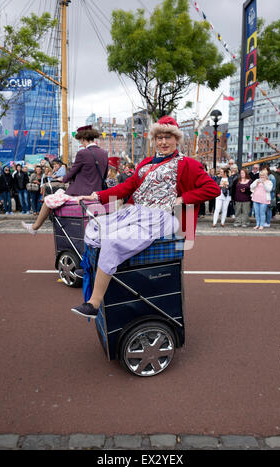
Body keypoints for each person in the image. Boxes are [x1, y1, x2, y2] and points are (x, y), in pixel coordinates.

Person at [71, 115, 221, 318]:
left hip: (162, 217)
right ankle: (91, 268)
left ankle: (94, 303)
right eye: (159, 137)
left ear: (177, 139)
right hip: (137, 212)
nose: (163, 142)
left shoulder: (188, 164)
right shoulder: (147, 162)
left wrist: (183, 199)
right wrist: (98, 195)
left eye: (168, 137)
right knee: (96, 227)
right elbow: (128, 185)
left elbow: (213, 189)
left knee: (114, 241)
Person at [21, 125, 108, 234]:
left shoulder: (82, 153)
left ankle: (34, 228)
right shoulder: (104, 153)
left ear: (82, 138)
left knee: (48, 200)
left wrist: (63, 178)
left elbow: (71, 173)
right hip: (96, 193)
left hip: (80, 193)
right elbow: (103, 175)